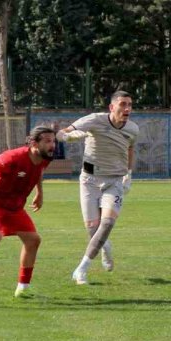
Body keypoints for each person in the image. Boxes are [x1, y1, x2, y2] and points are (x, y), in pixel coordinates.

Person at [0, 126, 56, 301]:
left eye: (53, 141)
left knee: (33, 240)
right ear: (35, 144)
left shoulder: (45, 157)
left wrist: (40, 192)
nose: (53, 145)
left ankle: (23, 288)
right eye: (48, 141)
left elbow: (38, 172)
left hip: (14, 206)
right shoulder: (14, 157)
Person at [57, 91, 139, 285]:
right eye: (122, 104)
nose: (127, 109)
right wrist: (67, 137)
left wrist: (129, 173)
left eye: (129, 105)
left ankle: (82, 268)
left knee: (108, 223)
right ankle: (105, 247)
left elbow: (130, 149)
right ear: (112, 107)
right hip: (89, 181)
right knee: (93, 231)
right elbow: (62, 132)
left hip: (114, 181)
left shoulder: (133, 129)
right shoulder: (94, 120)